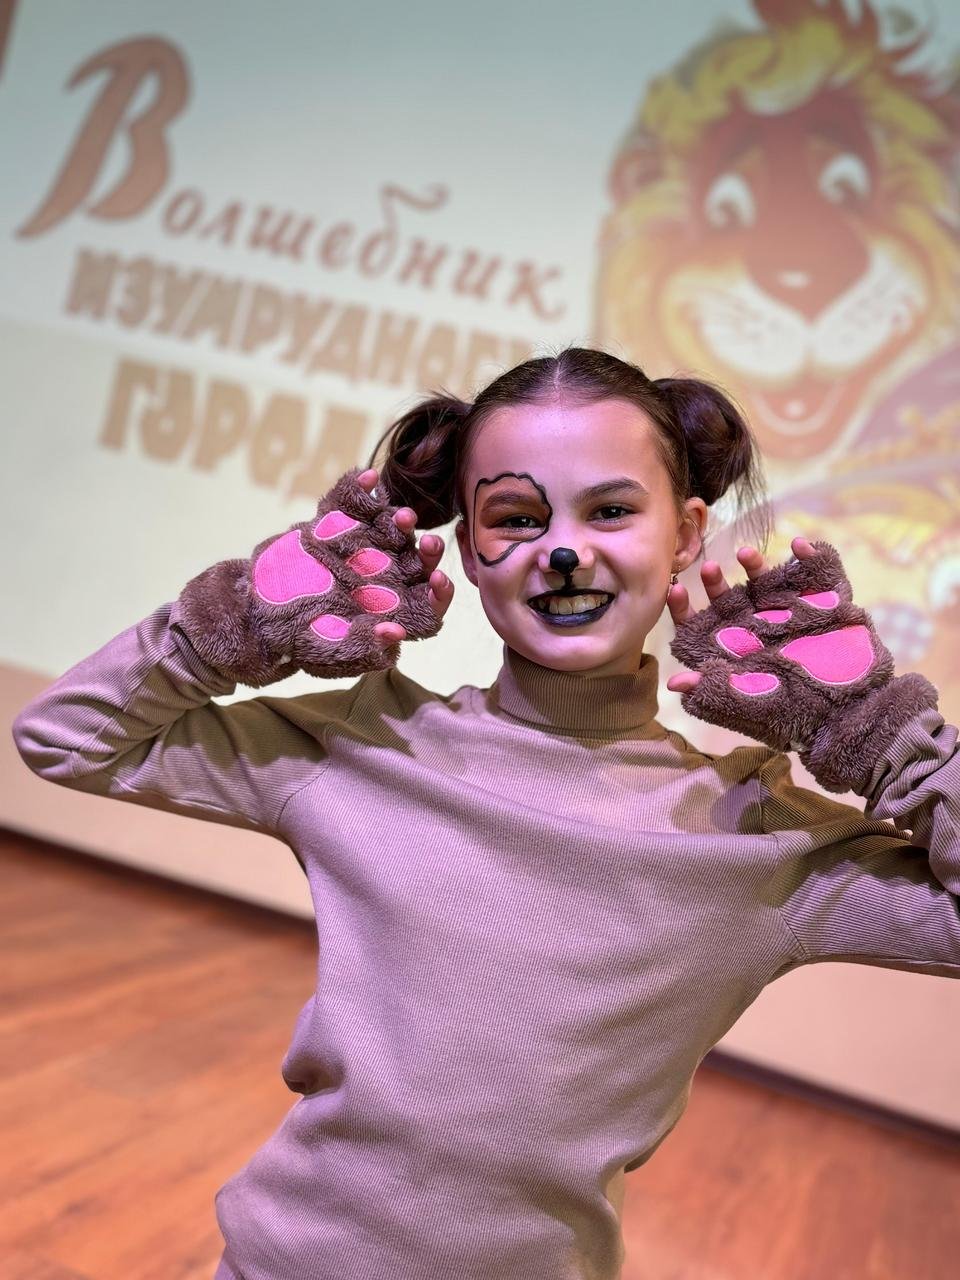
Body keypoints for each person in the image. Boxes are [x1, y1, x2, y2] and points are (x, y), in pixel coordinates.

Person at [11, 347, 960, 1280]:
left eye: (612, 510)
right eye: (517, 517)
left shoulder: (753, 833)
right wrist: (227, 627)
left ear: (684, 535)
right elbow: (69, 736)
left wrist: (888, 739)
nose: (562, 551)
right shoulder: (370, 747)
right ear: (468, 549)